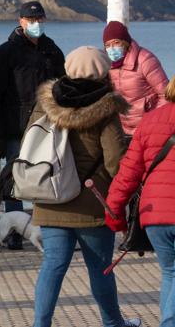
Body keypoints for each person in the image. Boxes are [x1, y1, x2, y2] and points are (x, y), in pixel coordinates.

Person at [28, 46, 140, 327]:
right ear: (103, 72)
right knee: (100, 268)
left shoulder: (46, 103)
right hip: (91, 204)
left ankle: (40, 324)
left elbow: (30, 143)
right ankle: (113, 324)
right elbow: (115, 160)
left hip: (50, 197)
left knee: (53, 266)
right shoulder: (105, 107)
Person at [0, 0, 65, 249]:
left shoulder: (52, 51)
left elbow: (62, 87)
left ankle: (49, 230)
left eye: (40, 20)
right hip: (14, 127)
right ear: (20, 21)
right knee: (13, 180)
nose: (36, 24)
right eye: (31, 20)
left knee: (48, 176)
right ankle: (14, 233)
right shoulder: (5, 53)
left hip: (47, 126)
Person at [105, 77, 175, 327]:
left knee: (170, 273)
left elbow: (128, 173)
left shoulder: (150, 121)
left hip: (154, 215)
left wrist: (114, 213)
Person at [102, 20, 169, 139]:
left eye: (116, 43)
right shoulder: (106, 64)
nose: (112, 48)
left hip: (147, 130)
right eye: (108, 45)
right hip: (121, 131)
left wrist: (153, 122)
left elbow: (166, 94)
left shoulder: (145, 60)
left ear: (125, 42)